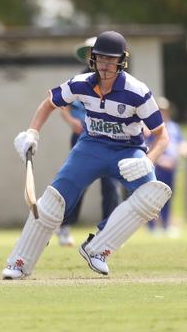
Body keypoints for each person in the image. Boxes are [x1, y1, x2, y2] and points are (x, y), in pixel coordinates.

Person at [2, 31, 172, 279]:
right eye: (100, 58)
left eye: (109, 59)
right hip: (90, 147)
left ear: (121, 61)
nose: (104, 65)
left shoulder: (137, 91)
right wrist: (32, 133)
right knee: (53, 201)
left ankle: (98, 249)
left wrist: (148, 160)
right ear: (93, 58)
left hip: (128, 150)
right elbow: (50, 102)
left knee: (153, 195)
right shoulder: (81, 83)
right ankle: (20, 262)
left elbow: (162, 136)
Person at [55, 37, 121, 247]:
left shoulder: (117, 80)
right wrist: (72, 121)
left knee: (111, 184)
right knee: (78, 182)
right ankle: (64, 226)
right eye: (94, 53)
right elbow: (60, 103)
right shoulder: (81, 79)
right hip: (83, 137)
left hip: (109, 138)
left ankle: (108, 229)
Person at [146, 97, 187, 236]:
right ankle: (152, 228)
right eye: (160, 110)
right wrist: (160, 159)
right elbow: (147, 146)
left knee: (168, 197)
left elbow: (181, 142)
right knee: (153, 198)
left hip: (171, 167)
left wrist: (184, 148)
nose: (163, 112)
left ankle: (165, 226)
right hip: (157, 166)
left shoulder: (174, 127)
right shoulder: (152, 128)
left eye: (164, 110)